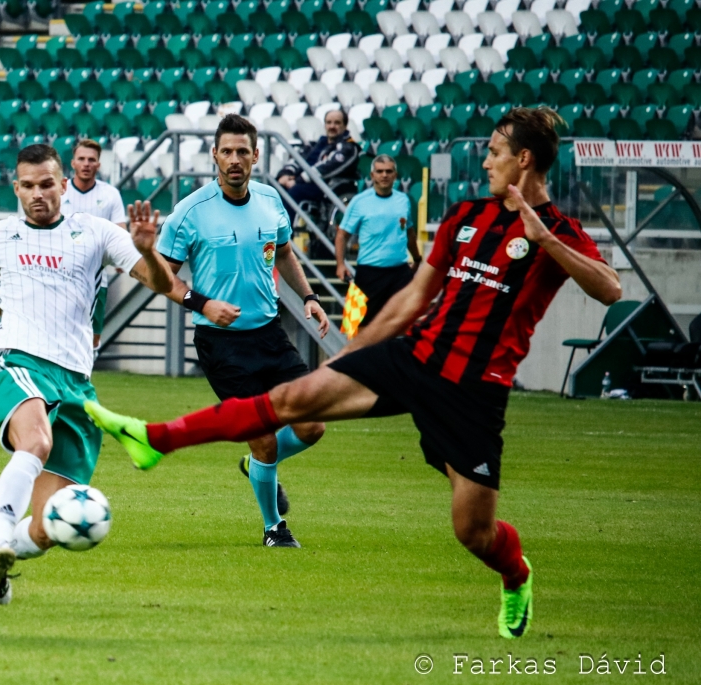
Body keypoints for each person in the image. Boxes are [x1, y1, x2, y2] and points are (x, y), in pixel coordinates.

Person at [85, 108, 622, 638]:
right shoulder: (465, 217)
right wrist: (349, 355)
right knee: (288, 407)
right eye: (225, 151)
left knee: (473, 531)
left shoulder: (557, 232)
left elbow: (609, 288)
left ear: (523, 159)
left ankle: (516, 574)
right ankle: (156, 439)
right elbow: (413, 297)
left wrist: (546, 239)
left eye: (494, 152)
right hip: (412, 355)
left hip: (473, 391)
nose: (485, 161)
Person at [0, 144, 175, 605]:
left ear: (64, 186)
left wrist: (149, 252)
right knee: (36, 441)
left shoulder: (94, 232)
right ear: (16, 188)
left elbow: (158, 282)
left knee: (49, 526)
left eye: (47, 184)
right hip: (18, 361)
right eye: (28, 186)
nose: (38, 194)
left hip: (76, 382)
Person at [156, 114, 330, 548]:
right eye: (227, 151)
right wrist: (202, 303)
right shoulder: (191, 211)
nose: (235, 160)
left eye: (243, 152)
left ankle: (256, 466)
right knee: (264, 438)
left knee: (313, 426)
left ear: (256, 156)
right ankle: (274, 527)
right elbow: (159, 274)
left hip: (270, 335)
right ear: (214, 155)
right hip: (221, 346)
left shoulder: (272, 201)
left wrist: (309, 297)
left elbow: (286, 253)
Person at [333, 155, 422, 328]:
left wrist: (417, 258)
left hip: (399, 273)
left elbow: (409, 233)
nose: (384, 175)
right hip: (369, 273)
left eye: (389, 171)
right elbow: (342, 235)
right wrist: (340, 264)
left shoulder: (403, 200)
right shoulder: (359, 202)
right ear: (372, 175)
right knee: (357, 326)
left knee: (406, 324)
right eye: (380, 171)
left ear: (395, 175)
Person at [60, 139, 128, 348]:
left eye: (92, 160)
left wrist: (122, 255)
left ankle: (81, 378)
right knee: (60, 334)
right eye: (81, 159)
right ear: (72, 163)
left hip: (96, 278)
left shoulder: (109, 194)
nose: (86, 164)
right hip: (61, 274)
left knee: (92, 339)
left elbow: (120, 231)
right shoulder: (60, 192)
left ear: (98, 164)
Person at [276, 109, 360, 204]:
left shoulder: (348, 147)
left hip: (325, 186)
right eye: (329, 122)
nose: (332, 126)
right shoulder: (314, 145)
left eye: (337, 123)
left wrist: (298, 180)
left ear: (344, 126)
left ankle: (284, 219)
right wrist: (285, 174)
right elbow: (296, 159)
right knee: (272, 189)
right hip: (302, 181)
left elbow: (327, 167)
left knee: (295, 191)